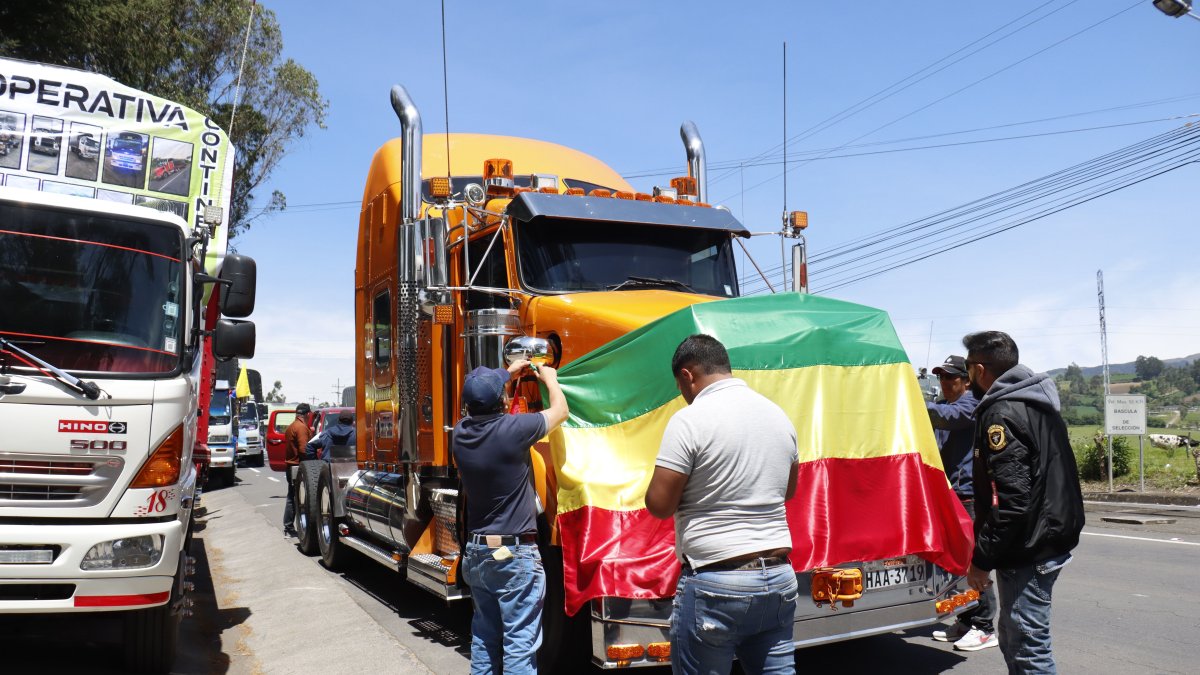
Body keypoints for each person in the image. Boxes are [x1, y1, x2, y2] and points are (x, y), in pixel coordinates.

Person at [646, 334, 799, 675]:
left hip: (717, 581)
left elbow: (659, 504)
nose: (683, 395)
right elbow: (787, 491)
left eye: (680, 386)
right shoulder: (778, 416)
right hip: (778, 578)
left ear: (688, 375)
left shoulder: (690, 420)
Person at [963, 331, 1084, 674]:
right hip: (1048, 539)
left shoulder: (1001, 413)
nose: (968, 376)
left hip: (1028, 548)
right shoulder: (1037, 403)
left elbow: (1012, 501)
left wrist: (981, 560)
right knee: (1015, 637)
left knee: (1027, 649)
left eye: (969, 368)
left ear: (981, 369)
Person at [453, 360, 568, 675]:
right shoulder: (514, 430)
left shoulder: (460, 435)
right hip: (514, 555)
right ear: (502, 401)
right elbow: (560, 412)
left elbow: (482, 399)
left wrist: (506, 373)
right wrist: (550, 379)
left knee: (484, 640)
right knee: (519, 644)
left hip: (477, 553)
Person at [926, 355, 997, 652]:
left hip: (968, 497)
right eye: (941, 377)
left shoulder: (970, 405)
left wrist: (912, 403)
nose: (945, 382)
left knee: (971, 563)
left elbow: (948, 418)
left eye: (951, 377)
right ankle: (966, 620)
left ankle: (984, 626)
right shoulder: (945, 407)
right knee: (955, 565)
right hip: (950, 496)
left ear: (966, 380)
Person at [282, 402, 312, 538]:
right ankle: (289, 527)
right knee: (295, 499)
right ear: (307, 414)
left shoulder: (291, 427)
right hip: (298, 467)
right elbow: (304, 450)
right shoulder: (301, 428)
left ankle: (289, 526)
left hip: (291, 466)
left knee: (292, 497)